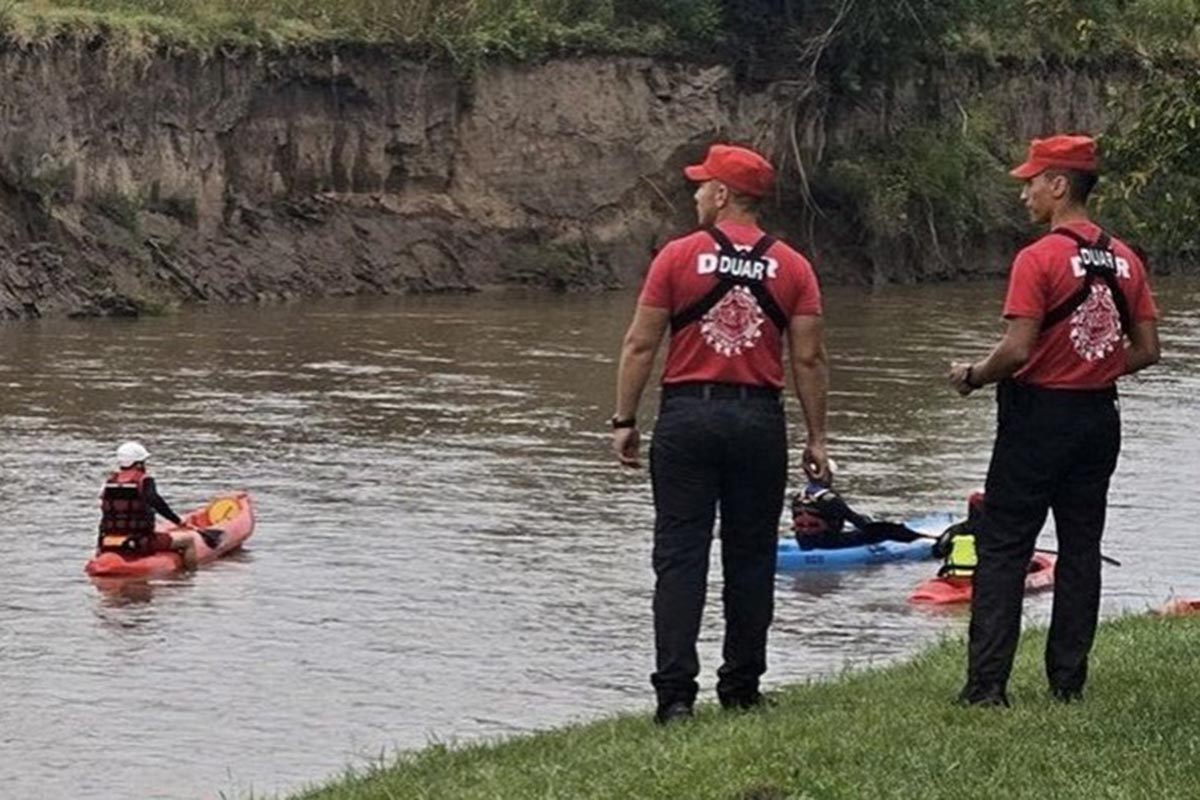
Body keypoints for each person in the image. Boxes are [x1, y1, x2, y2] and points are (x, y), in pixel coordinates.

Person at [612, 143, 830, 725]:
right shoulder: (794, 267)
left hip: (688, 416)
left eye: (702, 185)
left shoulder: (677, 257)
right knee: (752, 557)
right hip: (758, 421)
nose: (696, 194)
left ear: (723, 194)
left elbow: (640, 343)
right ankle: (741, 687)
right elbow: (808, 360)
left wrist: (625, 419)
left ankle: (675, 698)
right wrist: (817, 437)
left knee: (680, 557)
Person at [947, 134, 1160, 706]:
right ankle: (1068, 683)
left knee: (1004, 545)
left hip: (1037, 417)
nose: (1025, 193)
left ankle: (987, 687)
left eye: (1031, 182)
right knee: (1081, 546)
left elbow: (1016, 350)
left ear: (1059, 185)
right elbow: (1148, 349)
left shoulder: (1038, 258)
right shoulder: (1125, 258)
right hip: (1098, 418)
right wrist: (1094, 365)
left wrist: (973, 374)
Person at [97, 441, 216, 569]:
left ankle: (102, 558)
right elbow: (157, 502)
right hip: (140, 541)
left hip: (107, 542)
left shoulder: (110, 482)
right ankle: (188, 579)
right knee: (188, 541)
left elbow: (105, 508)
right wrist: (178, 521)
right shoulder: (144, 480)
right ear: (138, 463)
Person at [931, 491, 985, 579]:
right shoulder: (996, 533)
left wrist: (940, 542)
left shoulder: (954, 531)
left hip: (954, 577)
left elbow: (937, 553)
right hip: (984, 578)